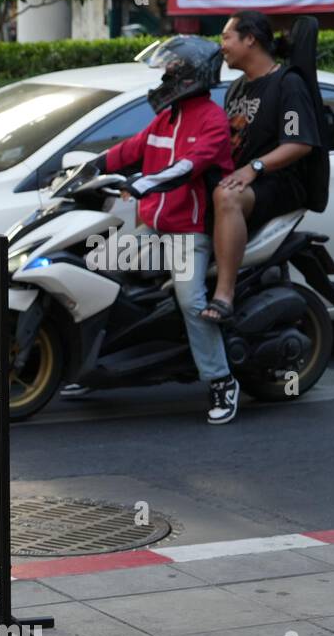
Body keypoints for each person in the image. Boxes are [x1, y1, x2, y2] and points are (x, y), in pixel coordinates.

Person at [77, 36, 238, 423]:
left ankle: (221, 381)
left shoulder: (211, 121)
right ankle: (92, 365)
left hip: (188, 231)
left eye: (171, 70)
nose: (164, 76)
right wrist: (90, 168)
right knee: (97, 266)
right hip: (153, 223)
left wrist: (140, 184)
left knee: (191, 301)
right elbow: (131, 149)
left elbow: (187, 167)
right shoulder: (167, 116)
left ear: (190, 76)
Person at [207, 11, 327, 329]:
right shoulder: (236, 89)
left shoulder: (287, 83)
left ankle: (224, 294)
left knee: (227, 196)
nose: (221, 46)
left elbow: (300, 143)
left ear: (250, 39)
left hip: (278, 182)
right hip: (244, 178)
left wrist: (254, 168)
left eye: (226, 37)